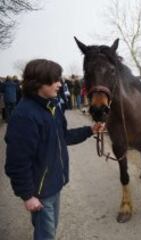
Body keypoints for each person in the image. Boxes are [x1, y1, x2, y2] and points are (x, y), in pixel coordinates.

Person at [4, 59, 104, 240]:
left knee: (49, 230)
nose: (60, 84)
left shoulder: (52, 106)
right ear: (38, 83)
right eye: (54, 80)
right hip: (40, 192)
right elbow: (16, 163)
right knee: (46, 235)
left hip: (54, 183)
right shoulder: (24, 116)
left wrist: (89, 130)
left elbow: (62, 137)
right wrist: (27, 196)